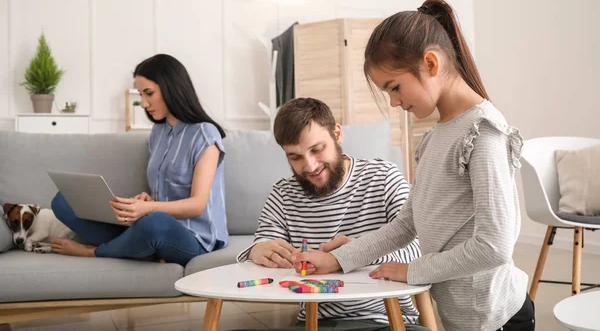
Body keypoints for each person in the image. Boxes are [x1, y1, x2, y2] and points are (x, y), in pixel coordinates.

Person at [293, 0, 535, 331]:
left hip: (499, 318)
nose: (393, 101)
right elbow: (407, 224)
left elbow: (494, 246)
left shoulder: (483, 133)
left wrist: (412, 271)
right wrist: (338, 259)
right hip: (464, 319)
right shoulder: (436, 138)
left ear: (431, 63)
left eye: (394, 87)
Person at [234, 98, 427, 331]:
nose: (310, 166)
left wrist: (352, 253)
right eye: (295, 157)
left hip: (385, 320)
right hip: (316, 322)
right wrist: (257, 250)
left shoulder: (383, 177)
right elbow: (262, 249)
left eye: (317, 150)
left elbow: (421, 251)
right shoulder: (283, 194)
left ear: (337, 134)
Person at [50, 54, 228, 266]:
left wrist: (149, 210)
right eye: (141, 94)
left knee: (155, 223)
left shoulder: (205, 134)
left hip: (194, 238)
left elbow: (197, 205)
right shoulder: (158, 133)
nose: (143, 103)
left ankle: (95, 252)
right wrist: (147, 202)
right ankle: (139, 249)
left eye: (149, 93)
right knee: (63, 201)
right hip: (151, 224)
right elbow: (163, 195)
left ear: (171, 87)